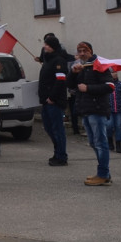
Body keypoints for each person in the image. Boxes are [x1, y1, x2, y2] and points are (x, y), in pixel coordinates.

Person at [68, 41, 115, 186]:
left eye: (85, 51)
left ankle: (102, 174)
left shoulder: (98, 66)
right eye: (79, 51)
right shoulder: (81, 67)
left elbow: (110, 86)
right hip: (86, 110)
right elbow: (70, 86)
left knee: (101, 143)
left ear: (90, 51)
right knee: (94, 143)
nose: (82, 53)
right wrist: (73, 73)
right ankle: (104, 173)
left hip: (97, 110)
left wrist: (88, 88)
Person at [38, 35, 69, 166]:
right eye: (45, 44)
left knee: (57, 129)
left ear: (53, 47)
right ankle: (57, 152)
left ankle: (61, 156)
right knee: (49, 128)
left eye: (48, 45)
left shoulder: (59, 61)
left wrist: (52, 97)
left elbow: (60, 81)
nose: (45, 46)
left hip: (54, 102)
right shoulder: (47, 60)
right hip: (45, 101)